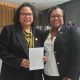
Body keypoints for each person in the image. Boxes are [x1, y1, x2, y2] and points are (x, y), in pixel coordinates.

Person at [0, 2, 44, 80]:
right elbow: (2, 52)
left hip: (34, 75)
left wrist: (44, 58)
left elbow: (43, 51)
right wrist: (19, 62)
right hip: (14, 74)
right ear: (18, 16)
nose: (27, 16)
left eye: (30, 14)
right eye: (23, 14)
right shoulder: (9, 30)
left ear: (33, 16)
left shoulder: (39, 33)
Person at [43, 6, 80, 80]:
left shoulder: (71, 31)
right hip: (47, 73)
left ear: (63, 18)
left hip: (64, 76)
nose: (56, 18)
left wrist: (70, 76)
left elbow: (77, 56)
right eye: (53, 16)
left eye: (59, 16)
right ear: (49, 18)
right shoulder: (45, 34)